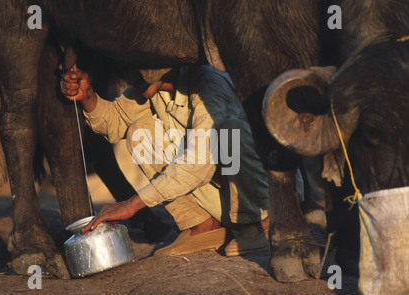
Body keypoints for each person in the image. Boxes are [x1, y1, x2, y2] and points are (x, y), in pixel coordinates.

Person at [60, 64, 270, 257]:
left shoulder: (210, 86)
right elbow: (115, 121)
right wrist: (87, 96)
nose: (130, 77)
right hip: (221, 194)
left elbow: (199, 165)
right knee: (139, 132)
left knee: (230, 131)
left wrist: (132, 204)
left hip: (264, 194)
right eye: (127, 66)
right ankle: (204, 224)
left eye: (138, 64)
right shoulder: (152, 86)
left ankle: (261, 222)